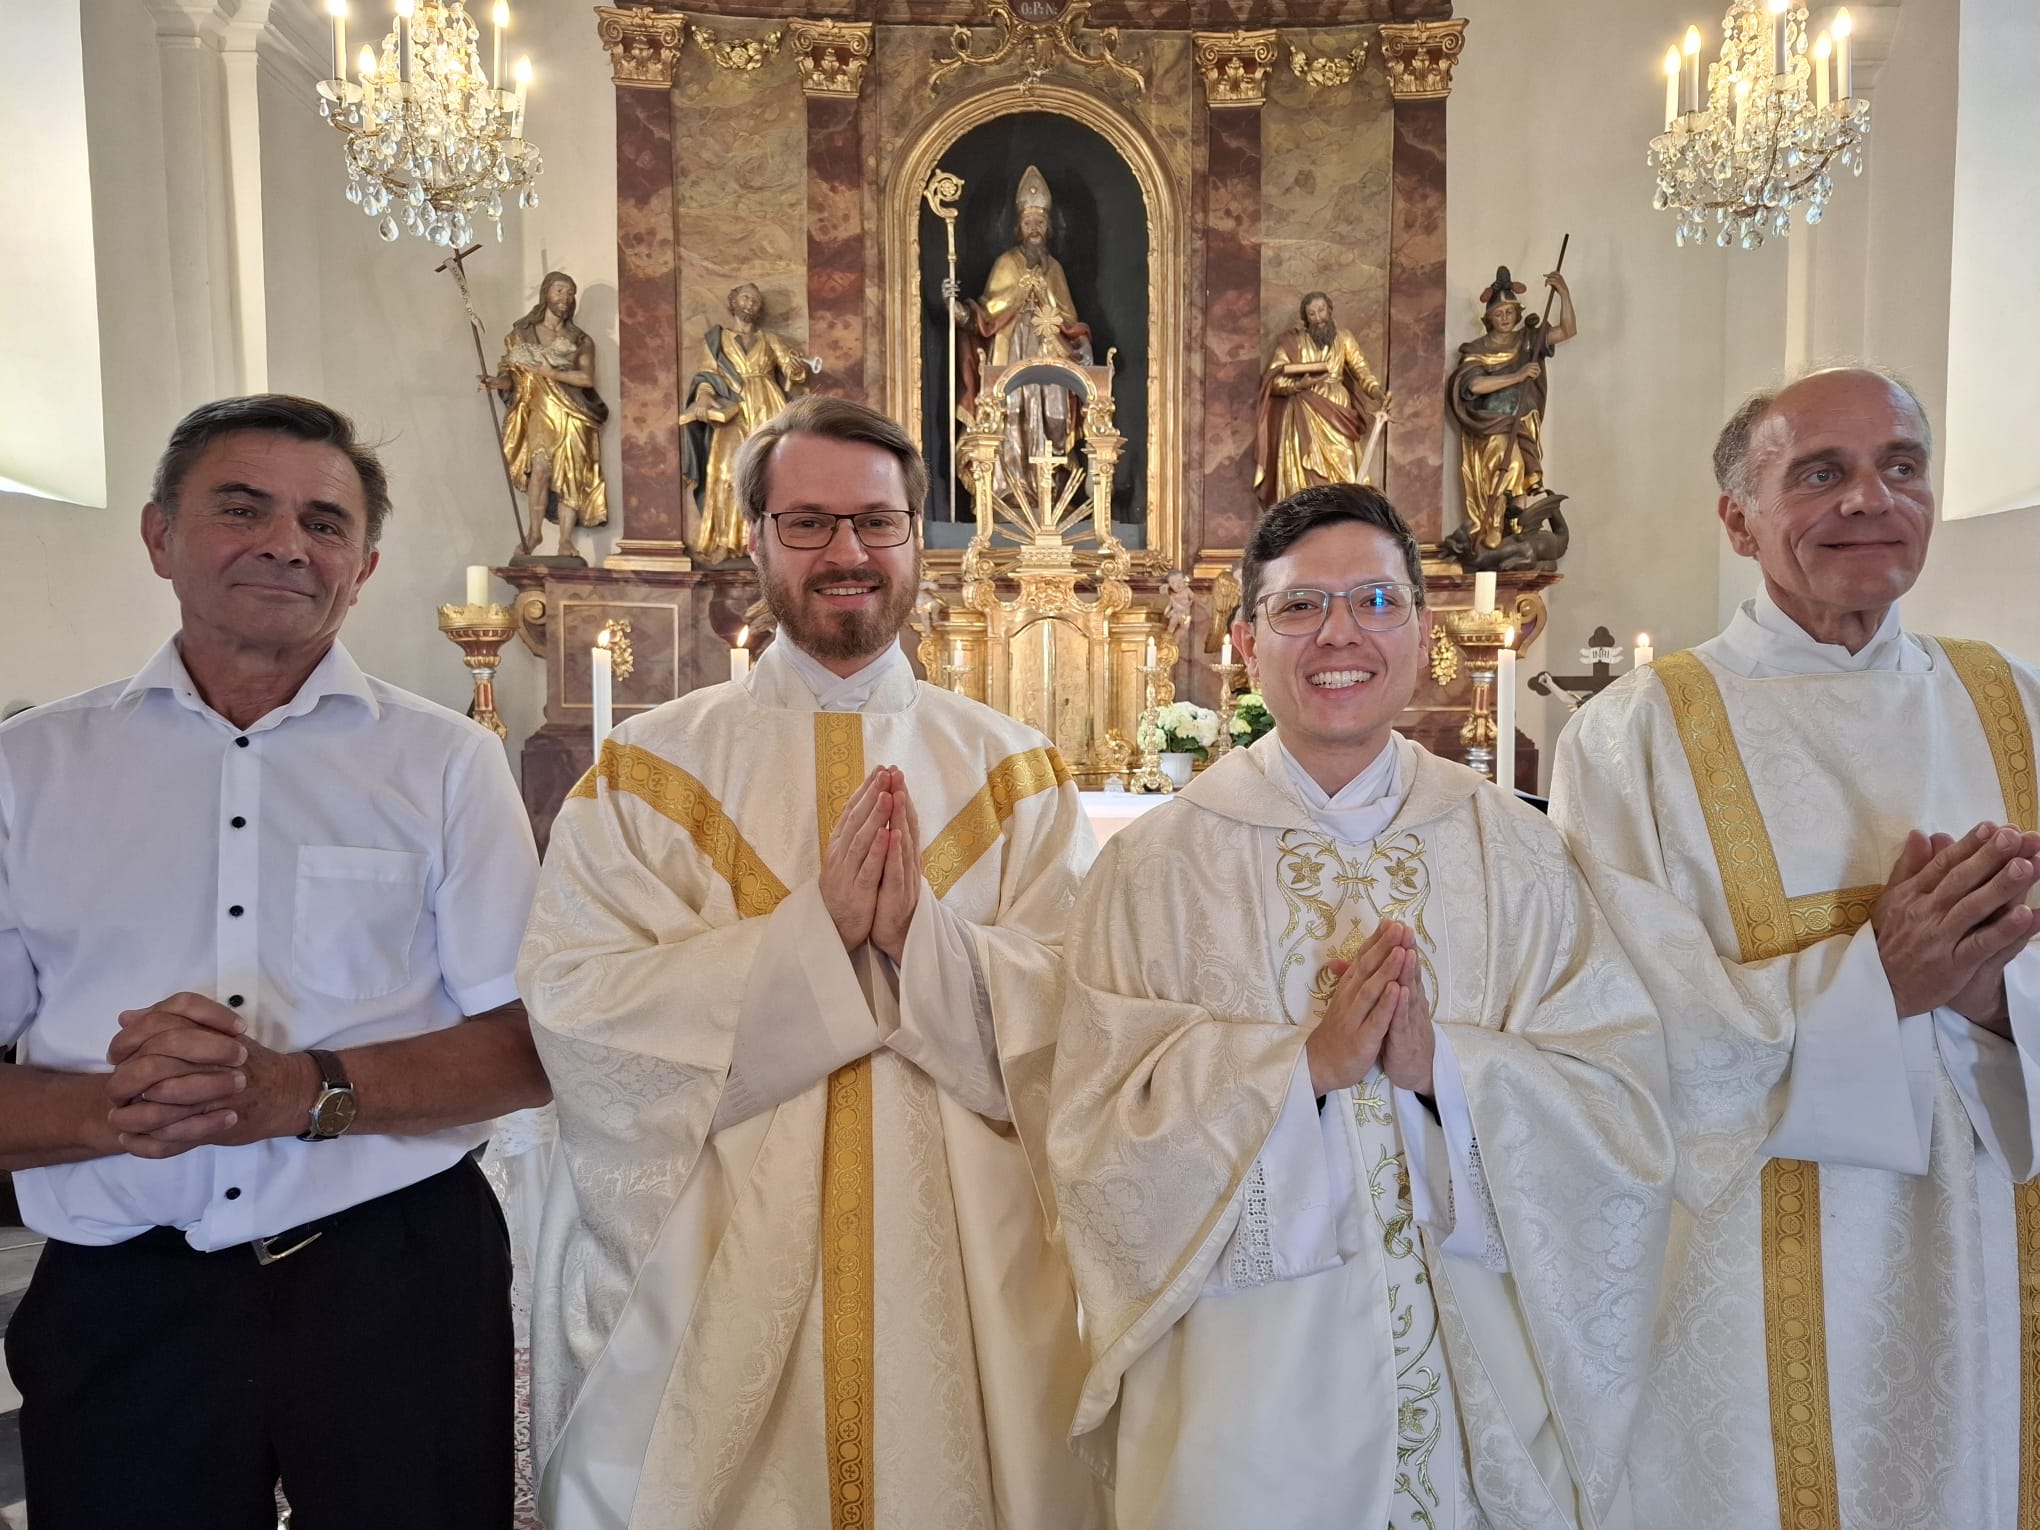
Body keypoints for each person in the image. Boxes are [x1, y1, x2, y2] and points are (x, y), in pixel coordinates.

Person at [523, 394, 1106, 1527]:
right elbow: (580, 1011)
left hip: (965, 1264)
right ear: (754, 539)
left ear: (914, 540)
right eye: (809, 523)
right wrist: (814, 940)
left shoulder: (1013, 769)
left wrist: (918, 945)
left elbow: (1086, 1014)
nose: (847, 553)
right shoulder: (646, 771)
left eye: (877, 524)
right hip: (718, 1256)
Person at [1050, 482, 1675, 1530]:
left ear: (1425, 635)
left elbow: (1620, 1098)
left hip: (1484, 1379)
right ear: (1244, 643)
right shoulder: (1154, 868)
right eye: (1300, 608)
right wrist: (1301, 1072)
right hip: (1243, 1397)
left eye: (1376, 602)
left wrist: (1449, 1074)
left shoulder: (1515, 851)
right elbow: (1091, 1137)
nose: (1340, 634)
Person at [0, 394, 549, 1528]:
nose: (287, 544)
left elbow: (530, 1047)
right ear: (158, 535)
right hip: (125, 1284)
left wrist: (298, 1093)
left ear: (366, 564)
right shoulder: (28, 770)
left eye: (324, 523)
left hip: (393, 1271)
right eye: (240, 509)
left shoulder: (448, 764)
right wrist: (125, 1111)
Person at [1550, 365, 2040, 1528]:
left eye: (1901, 468)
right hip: (1755, 1246)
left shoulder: (2011, 700)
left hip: (1988, 1211)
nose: (1871, 500)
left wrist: (1992, 996)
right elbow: (1621, 1017)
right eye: (1822, 474)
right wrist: (1880, 981)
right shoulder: (1640, 733)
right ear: (1738, 520)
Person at [953, 165, 1094, 502]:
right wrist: (956, 309)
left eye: (1040, 223)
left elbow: (1069, 318)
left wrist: (1081, 342)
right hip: (1010, 353)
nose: (1035, 229)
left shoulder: (1054, 269)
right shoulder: (1007, 263)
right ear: (1019, 227)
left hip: (1050, 357)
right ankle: (1007, 491)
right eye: (1029, 223)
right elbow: (986, 314)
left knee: (1052, 419)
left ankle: (1051, 493)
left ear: (1048, 229)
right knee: (1012, 413)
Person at [681, 280, 814, 562]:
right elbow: (706, 375)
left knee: (770, 471)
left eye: (755, 301)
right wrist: (704, 398)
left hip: (768, 403)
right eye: (745, 298)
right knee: (727, 470)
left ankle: (771, 543)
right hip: (732, 409)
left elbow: (792, 371)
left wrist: (796, 366)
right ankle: (728, 541)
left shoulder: (770, 340)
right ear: (732, 303)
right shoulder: (716, 340)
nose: (750, 304)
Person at [484, 270, 610, 561]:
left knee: (572, 477)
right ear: (546, 294)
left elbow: (587, 379)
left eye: (569, 293)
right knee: (539, 469)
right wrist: (497, 382)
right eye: (559, 291)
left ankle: (566, 541)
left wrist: (551, 372)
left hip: (574, 412)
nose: (564, 298)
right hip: (540, 409)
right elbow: (512, 374)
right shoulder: (523, 333)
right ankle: (534, 532)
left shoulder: (580, 339)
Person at [1448, 266, 1575, 551]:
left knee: (1518, 468)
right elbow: (1474, 385)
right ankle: (1493, 525)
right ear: (1489, 318)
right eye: (1498, 314)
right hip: (1491, 421)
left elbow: (1567, 330)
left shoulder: (1528, 340)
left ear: (1517, 314)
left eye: (1509, 312)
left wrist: (1564, 293)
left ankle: (1516, 525)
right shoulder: (1477, 348)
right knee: (1510, 465)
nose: (1504, 318)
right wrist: (1517, 376)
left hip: (1521, 421)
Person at [1252, 290, 1392, 508]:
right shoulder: (1294, 343)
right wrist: (1299, 385)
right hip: (1303, 412)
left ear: (1330, 310)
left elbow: (1361, 371)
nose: (1318, 317)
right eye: (1312, 314)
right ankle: (1309, 521)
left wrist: (1377, 392)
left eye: (1321, 310)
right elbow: (1274, 381)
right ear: (1305, 318)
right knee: (1306, 468)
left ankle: (1344, 516)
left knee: (1345, 460)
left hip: (1337, 410)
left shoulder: (1344, 338)